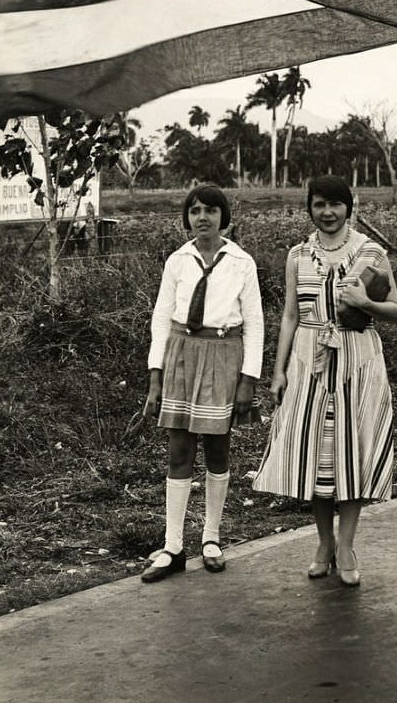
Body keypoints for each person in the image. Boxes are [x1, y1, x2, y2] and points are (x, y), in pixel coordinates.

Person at [253, 176, 397, 587]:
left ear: (349, 207)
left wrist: (365, 303)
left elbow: (394, 310)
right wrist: (279, 371)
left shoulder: (372, 253)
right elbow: (289, 315)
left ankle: (348, 544)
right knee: (317, 458)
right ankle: (323, 543)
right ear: (310, 208)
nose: (328, 212)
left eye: (336, 204)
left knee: (351, 454)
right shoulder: (298, 255)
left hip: (358, 360)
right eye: (320, 204)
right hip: (309, 360)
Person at [141, 185, 264, 583]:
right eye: (195, 211)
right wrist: (155, 375)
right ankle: (173, 546)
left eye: (211, 210)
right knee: (179, 451)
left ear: (223, 217)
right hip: (181, 355)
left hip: (222, 355)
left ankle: (211, 538)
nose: (203, 217)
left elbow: (256, 325)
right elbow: (161, 318)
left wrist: (248, 379)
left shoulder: (241, 262)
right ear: (187, 217)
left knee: (216, 448)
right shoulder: (178, 260)